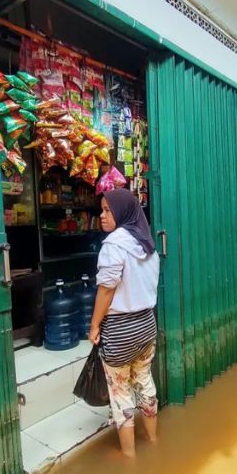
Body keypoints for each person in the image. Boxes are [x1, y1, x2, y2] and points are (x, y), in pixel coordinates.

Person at [88, 188, 160, 458]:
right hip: (146, 326)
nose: (102, 215)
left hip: (120, 330)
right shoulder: (147, 244)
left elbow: (106, 290)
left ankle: (129, 459)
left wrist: (94, 326)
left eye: (108, 210)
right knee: (144, 382)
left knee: (121, 393)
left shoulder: (113, 245)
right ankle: (153, 441)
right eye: (102, 210)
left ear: (121, 213)